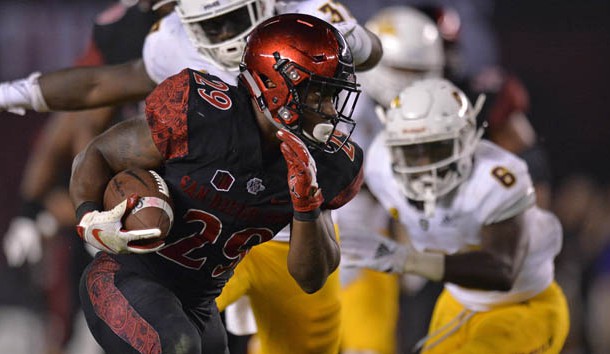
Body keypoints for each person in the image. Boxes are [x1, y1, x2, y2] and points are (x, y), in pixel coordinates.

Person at [0, 1, 381, 353]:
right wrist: (88, 218)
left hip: (200, 300)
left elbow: (311, 278)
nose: (331, 110)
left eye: (333, 94)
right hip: (127, 279)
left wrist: (307, 205)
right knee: (179, 346)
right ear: (277, 88)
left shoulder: (324, 160)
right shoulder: (199, 111)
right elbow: (96, 149)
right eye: (319, 95)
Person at [342, 78, 569, 354]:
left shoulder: (496, 179)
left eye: (435, 148)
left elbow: (500, 270)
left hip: (522, 305)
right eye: (412, 151)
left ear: (466, 140)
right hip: (457, 300)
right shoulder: (381, 163)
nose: (425, 165)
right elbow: (351, 187)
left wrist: (406, 259)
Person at [334, 6, 444, 354]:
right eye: (403, 69)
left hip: (380, 221)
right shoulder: (343, 99)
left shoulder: (432, 105)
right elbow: (340, 174)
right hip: (335, 218)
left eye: (419, 72)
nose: (411, 81)